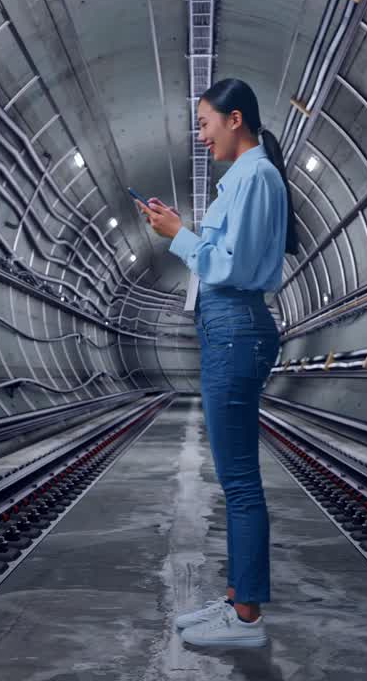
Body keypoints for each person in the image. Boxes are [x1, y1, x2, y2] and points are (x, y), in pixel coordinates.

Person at [136, 77, 299, 649]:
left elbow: (232, 267)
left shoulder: (255, 177)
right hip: (227, 328)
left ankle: (247, 617)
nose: (201, 136)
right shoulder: (245, 179)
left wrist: (179, 234)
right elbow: (227, 255)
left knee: (240, 481)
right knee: (234, 478)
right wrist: (183, 229)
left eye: (205, 124)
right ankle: (237, 598)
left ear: (235, 120)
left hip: (235, 327)